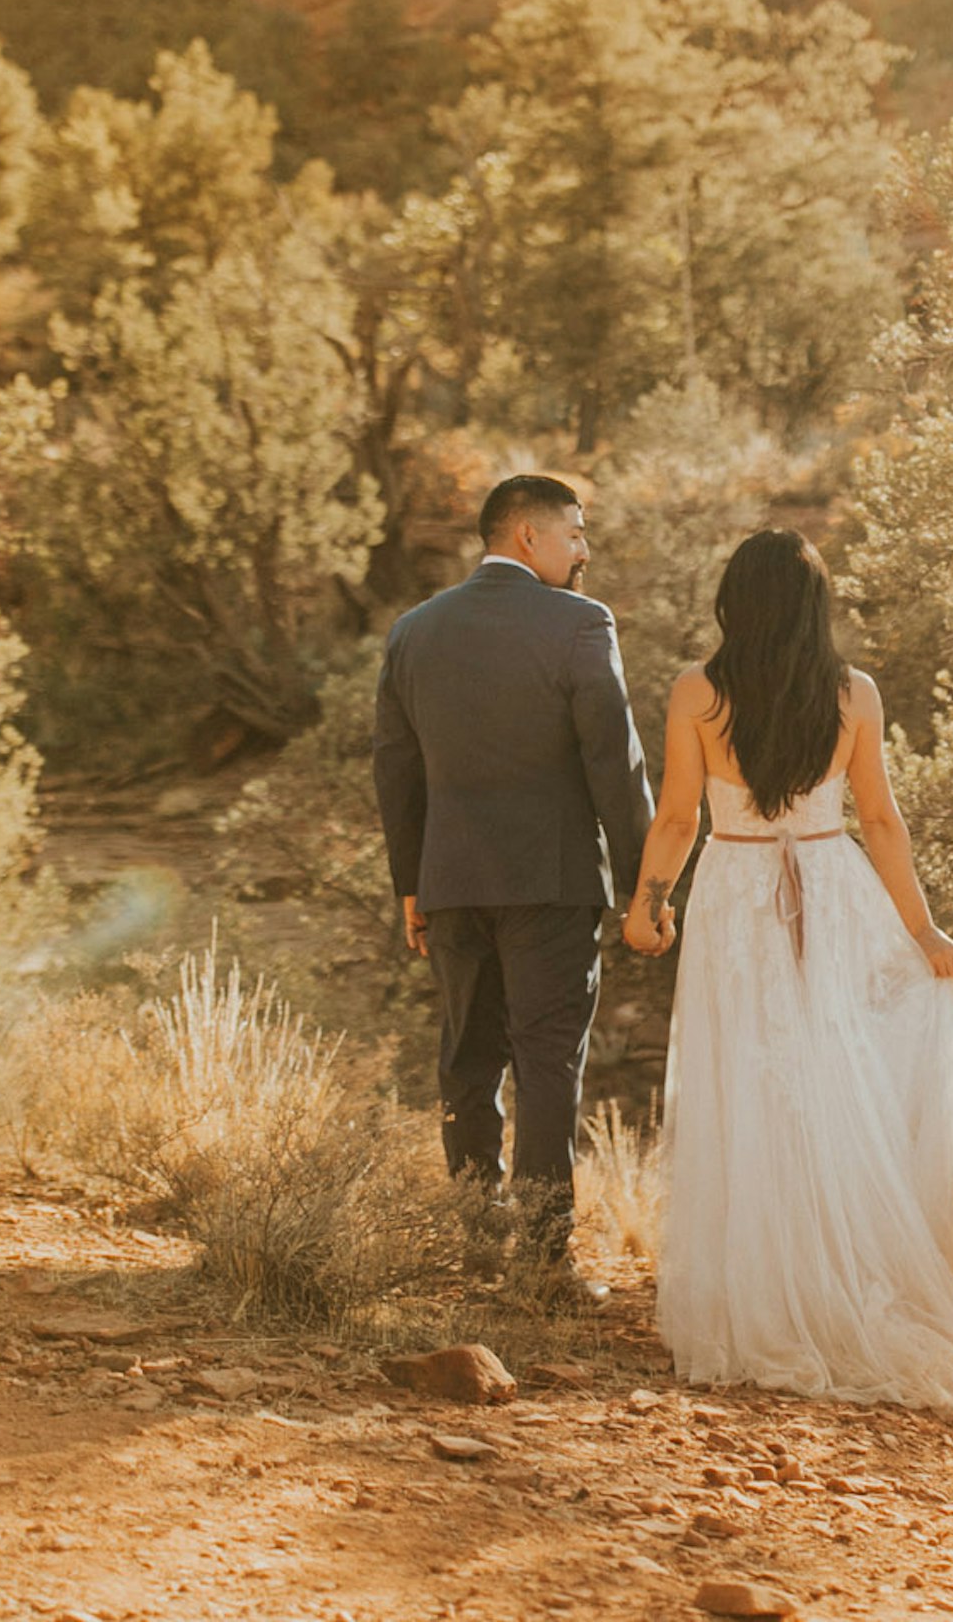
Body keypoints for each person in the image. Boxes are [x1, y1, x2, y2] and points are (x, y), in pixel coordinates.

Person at [622, 530, 953, 1438]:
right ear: (814, 606)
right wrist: (923, 932)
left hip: (737, 895)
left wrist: (647, 904)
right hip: (833, 890)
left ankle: (767, 1295)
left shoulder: (697, 692)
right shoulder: (852, 693)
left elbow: (676, 817)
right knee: (838, 1075)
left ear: (734, 602)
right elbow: (881, 821)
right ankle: (845, 1277)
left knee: (749, 1083)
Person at [373, 474, 651, 1292]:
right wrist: (646, 886)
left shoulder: (414, 630)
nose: (584, 549)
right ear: (529, 535)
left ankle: (479, 1239)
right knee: (546, 1065)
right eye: (576, 532)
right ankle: (541, 1258)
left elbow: (395, 769)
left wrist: (411, 884)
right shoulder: (579, 622)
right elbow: (613, 760)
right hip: (551, 883)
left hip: (450, 880)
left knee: (466, 1058)